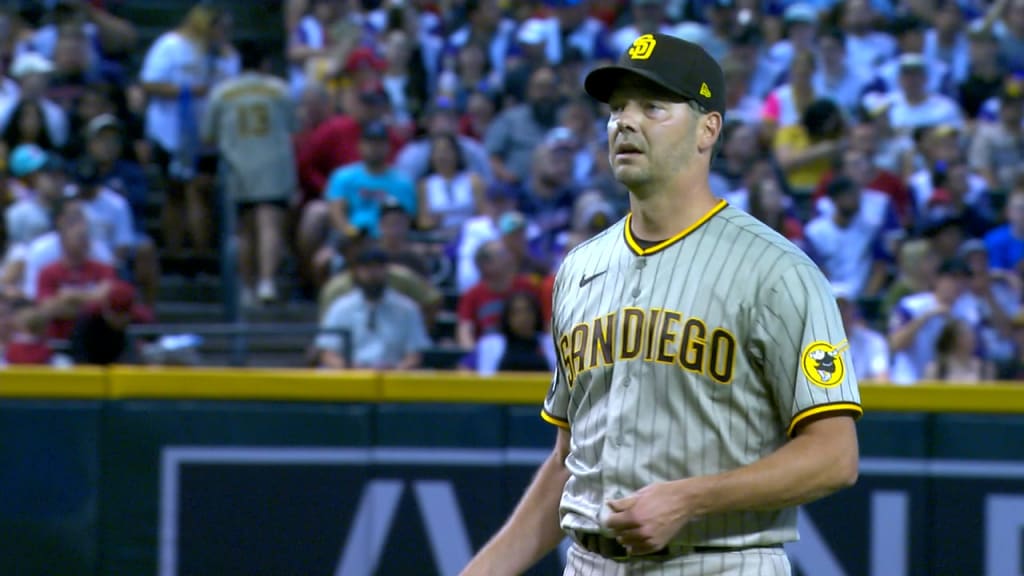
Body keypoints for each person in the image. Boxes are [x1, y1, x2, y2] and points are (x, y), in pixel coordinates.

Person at [461, 34, 860, 576]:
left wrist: (692, 498)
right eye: (618, 106)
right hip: (588, 563)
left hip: (721, 562)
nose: (626, 121)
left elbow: (834, 456)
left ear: (708, 129)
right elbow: (569, 461)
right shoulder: (579, 268)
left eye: (653, 106)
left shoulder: (777, 272)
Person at [202, 40, 296, 305]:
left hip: (238, 165)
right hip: (273, 164)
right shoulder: (279, 90)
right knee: (269, 223)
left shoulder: (222, 93)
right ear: (265, 64)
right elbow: (293, 125)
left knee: (244, 230)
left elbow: (208, 134)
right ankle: (267, 281)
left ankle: (246, 286)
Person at [314, 246, 430, 370]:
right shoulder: (341, 307)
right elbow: (327, 352)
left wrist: (396, 370)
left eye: (378, 268)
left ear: (387, 271)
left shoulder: (407, 309)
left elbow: (415, 355)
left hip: (394, 378)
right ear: (357, 272)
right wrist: (350, 369)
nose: (373, 274)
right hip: (349, 378)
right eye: (367, 268)